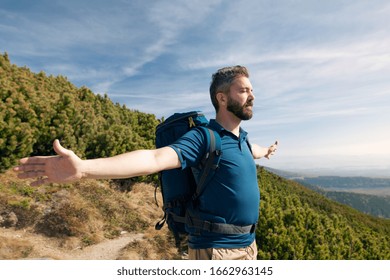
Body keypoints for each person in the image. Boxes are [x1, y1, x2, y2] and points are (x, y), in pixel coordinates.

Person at [14, 65, 278, 260]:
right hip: (217, 250)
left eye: (252, 90)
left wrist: (266, 150)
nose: (252, 95)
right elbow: (154, 158)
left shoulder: (241, 139)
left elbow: (251, 150)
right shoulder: (203, 138)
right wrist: (84, 169)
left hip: (248, 245)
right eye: (243, 90)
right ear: (222, 98)